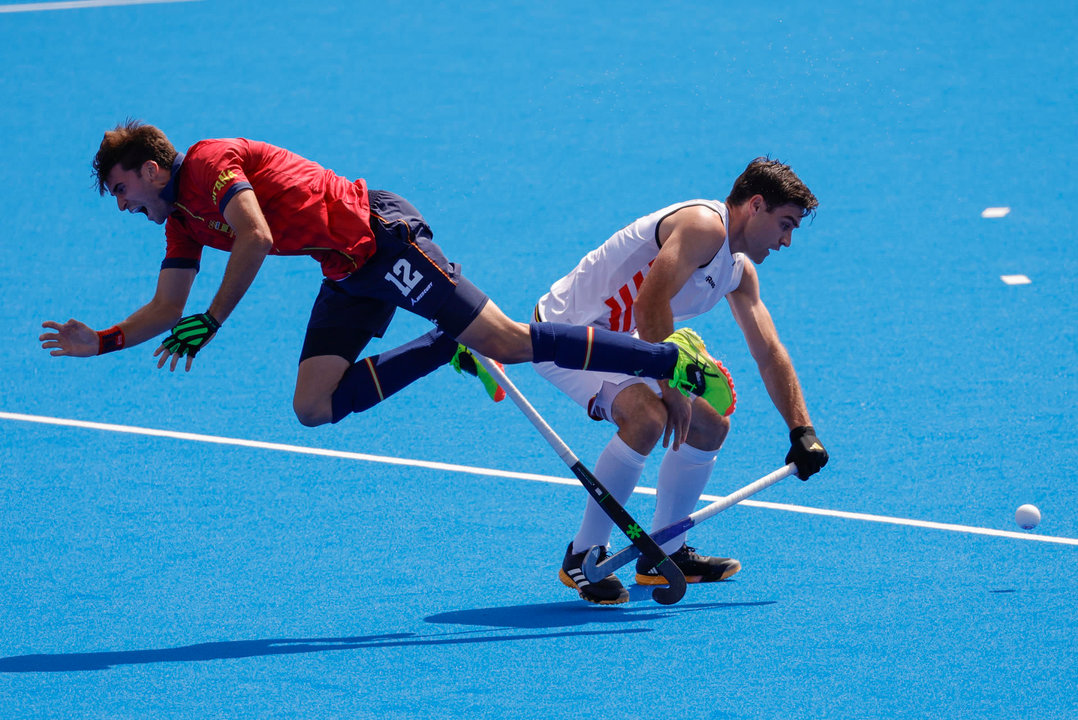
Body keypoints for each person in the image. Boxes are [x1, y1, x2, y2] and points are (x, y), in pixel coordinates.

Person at [40, 121, 734, 441]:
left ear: (152, 168)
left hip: (380, 235)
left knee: (512, 340)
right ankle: (445, 348)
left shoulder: (209, 164)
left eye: (123, 187)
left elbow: (255, 236)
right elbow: (168, 305)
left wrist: (214, 321)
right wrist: (101, 342)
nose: (124, 203)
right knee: (312, 406)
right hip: (345, 269)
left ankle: (665, 359)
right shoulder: (181, 222)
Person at [534, 158, 830, 604]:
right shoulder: (702, 226)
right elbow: (649, 302)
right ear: (754, 205)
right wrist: (672, 391)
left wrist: (801, 430)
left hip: (625, 339)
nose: (787, 240)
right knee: (650, 417)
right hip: (569, 333)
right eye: (784, 224)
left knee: (711, 425)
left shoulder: (739, 270)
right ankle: (582, 554)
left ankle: (664, 552)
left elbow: (769, 352)